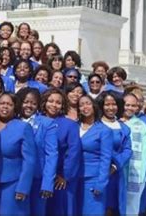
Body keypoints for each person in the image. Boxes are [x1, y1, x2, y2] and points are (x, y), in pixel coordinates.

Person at [0, 92, 36, 215]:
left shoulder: (23, 127)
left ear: (15, 107)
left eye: (9, 104)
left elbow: (29, 160)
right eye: (2, 103)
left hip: (12, 184)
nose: (5, 106)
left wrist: (23, 187)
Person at [16, 88, 58, 216]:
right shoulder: (11, 120)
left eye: (33, 103)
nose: (29, 106)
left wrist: (47, 183)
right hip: (14, 178)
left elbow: (52, 154)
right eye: (26, 102)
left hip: (37, 179)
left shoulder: (47, 123)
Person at [43, 88, 81, 216]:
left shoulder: (70, 125)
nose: (54, 105)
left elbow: (74, 152)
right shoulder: (36, 120)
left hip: (59, 177)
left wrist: (65, 175)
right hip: (38, 175)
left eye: (58, 102)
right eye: (51, 101)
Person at [77, 95, 113, 215]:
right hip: (74, 178)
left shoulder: (104, 130)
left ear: (94, 106)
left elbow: (106, 158)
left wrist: (101, 183)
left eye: (87, 103)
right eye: (81, 105)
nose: (84, 107)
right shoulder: (74, 126)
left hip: (93, 179)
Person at [97, 91, 132, 215]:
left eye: (114, 104)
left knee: (113, 206)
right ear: (101, 105)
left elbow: (128, 150)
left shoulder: (124, 128)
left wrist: (115, 165)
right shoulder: (95, 125)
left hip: (116, 173)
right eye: (107, 104)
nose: (111, 108)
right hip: (98, 170)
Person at [121, 93, 146, 215]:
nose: (130, 108)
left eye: (133, 106)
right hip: (116, 172)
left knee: (131, 208)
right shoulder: (115, 122)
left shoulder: (142, 127)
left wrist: (140, 176)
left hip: (133, 174)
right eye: (127, 105)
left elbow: (145, 153)